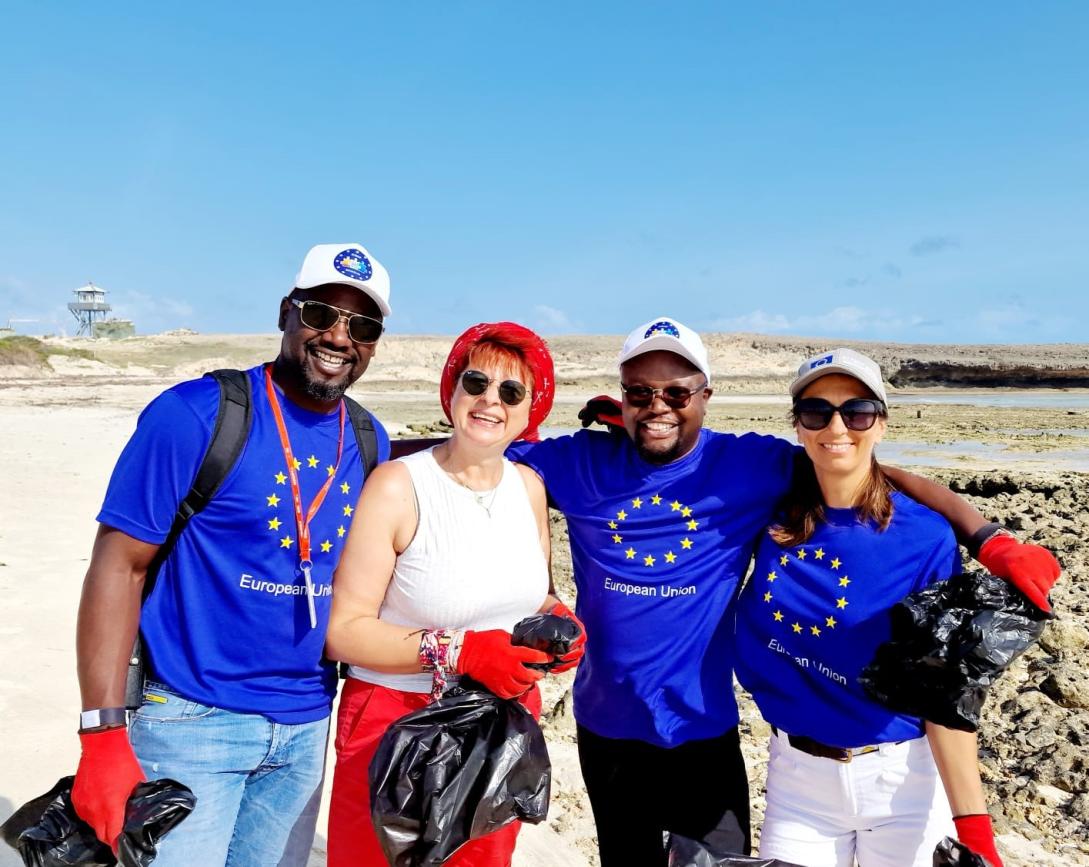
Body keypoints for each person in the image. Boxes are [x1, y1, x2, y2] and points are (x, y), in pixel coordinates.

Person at [508, 317, 1059, 866]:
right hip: (634, 734)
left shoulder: (751, 466)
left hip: (719, 733)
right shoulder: (583, 460)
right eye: (641, 392)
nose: (836, 426)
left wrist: (986, 539)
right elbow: (471, 456)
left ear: (706, 396)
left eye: (676, 392)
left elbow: (863, 466)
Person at [71, 243, 393, 866]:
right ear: (285, 313)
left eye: (363, 324)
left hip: (306, 728)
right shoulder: (194, 415)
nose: (338, 335)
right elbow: (118, 565)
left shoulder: (369, 439)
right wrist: (102, 735)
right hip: (189, 719)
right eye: (320, 312)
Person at [324, 322, 584, 867]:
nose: (491, 400)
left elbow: (536, 597)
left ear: (530, 408)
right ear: (453, 391)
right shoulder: (398, 485)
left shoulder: (529, 489)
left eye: (511, 392)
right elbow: (344, 631)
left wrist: (560, 624)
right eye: (476, 382)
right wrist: (461, 650)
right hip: (396, 721)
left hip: (500, 727)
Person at [734, 347, 1005, 866]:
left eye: (856, 411)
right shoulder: (767, 514)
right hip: (796, 780)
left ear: (880, 424)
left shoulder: (924, 537)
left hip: (902, 782)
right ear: (798, 425)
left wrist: (976, 831)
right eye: (817, 411)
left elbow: (945, 688)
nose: (837, 426)